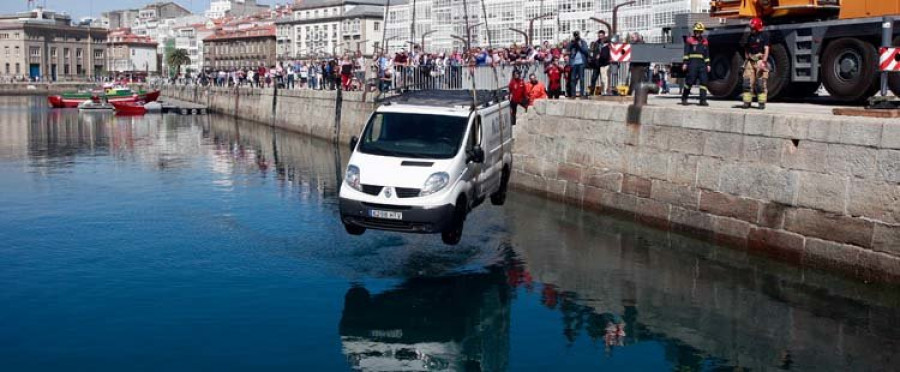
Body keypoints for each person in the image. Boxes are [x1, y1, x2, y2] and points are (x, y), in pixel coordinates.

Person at [742, 17, 770, 109]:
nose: (751, 30)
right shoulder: (750, 36)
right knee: (747, 82)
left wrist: (764, 62)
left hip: (760, 60)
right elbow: (746, 48)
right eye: (751, 28)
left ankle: (761, 103)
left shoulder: (764, 35)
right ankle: (747, 102)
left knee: (760, 83)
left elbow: (766, 49)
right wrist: (746, 58)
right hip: (750, 60)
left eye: (753, 28)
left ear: (757, 27)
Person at [681, 22, 711, 106]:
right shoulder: (690, 40)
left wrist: (708, 64)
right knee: (689, 81)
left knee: (704, 82)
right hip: (692, 63)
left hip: (702, 64)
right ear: (694, 31)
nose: (698, 33)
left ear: (702, 32)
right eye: (696, 31)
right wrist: (685, 63)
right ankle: (684, 98)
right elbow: (686, 53)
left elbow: (707, 54)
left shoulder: (705, 41)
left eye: (700, 31)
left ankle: (703, 100)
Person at [567, 31, 590, 98]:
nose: (576, 37)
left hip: (581, 63)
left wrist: (580, 45)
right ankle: (573, 94)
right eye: (575, 35)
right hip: (574, 63)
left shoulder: (583, 42)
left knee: (581, 79)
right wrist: (572, 42)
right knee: (573, 79)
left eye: (577, 35)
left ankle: (581, 94)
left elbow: (586, 51)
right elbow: (567, 49)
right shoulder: (572, 42)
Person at [589, 30, 611, 96]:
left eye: (601, 36)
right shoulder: (596, 43)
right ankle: (591, 92)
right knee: (593, 78)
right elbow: (593, 52)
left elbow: (607, 53)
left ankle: (604, 91)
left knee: (604, 79)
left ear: (604, 35)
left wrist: (601, 56)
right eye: (599, 36)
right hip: (597, 64)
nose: (600, 37)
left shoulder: (607, 43)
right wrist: (593, 60)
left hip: (604, 64)